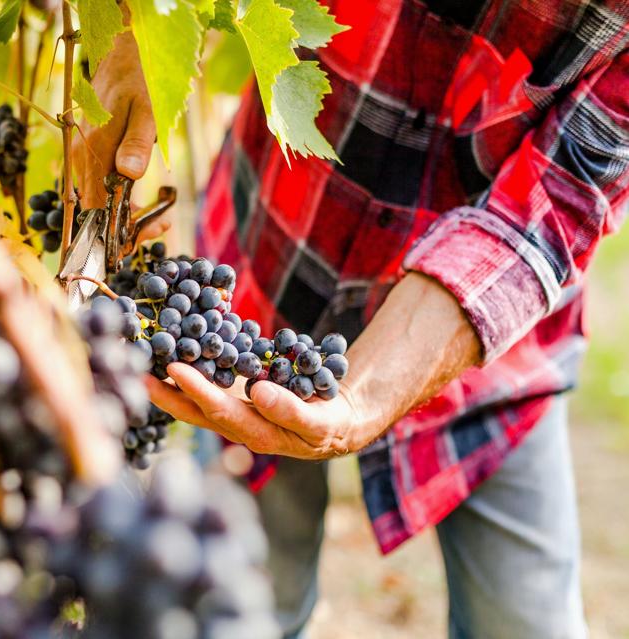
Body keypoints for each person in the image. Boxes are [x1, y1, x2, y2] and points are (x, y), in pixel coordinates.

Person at [75, 2, 629, 637]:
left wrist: (369, 393)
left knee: (526, 623)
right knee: (242, 602)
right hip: (264, 278)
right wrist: (140, 22)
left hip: (487, 356)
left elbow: (561, 194)